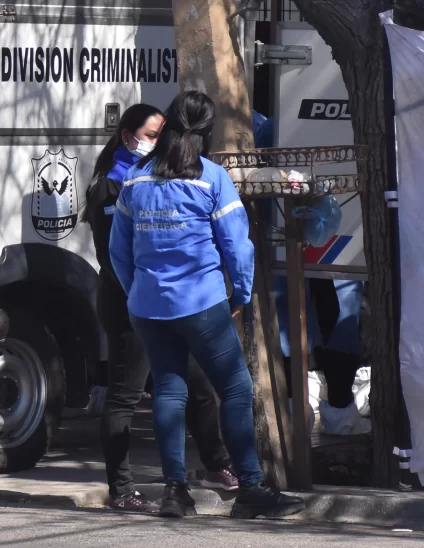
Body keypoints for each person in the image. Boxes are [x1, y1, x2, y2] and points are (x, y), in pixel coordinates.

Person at [108, 91, 305, 519]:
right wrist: (242, 293)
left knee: (168, 391)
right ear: (208, 131)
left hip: (147, 306)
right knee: (235, 389)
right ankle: (251, 488)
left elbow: (118, 250)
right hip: (201, 303)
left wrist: (137, 291)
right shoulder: (211, 178)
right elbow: (237, 248)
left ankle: (175, 492)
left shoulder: (136, 179)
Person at [83, 103, 239, 513]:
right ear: (127, 137)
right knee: (125, 397)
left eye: (159, 135)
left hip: (162, 301)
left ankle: (216, 464)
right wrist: (142, 292)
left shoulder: (153, 179)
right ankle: (121, 488)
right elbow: (111, 255)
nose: (155, 143)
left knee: (198, 385)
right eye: (149, 135)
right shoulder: (113, 185)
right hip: (128, 303)